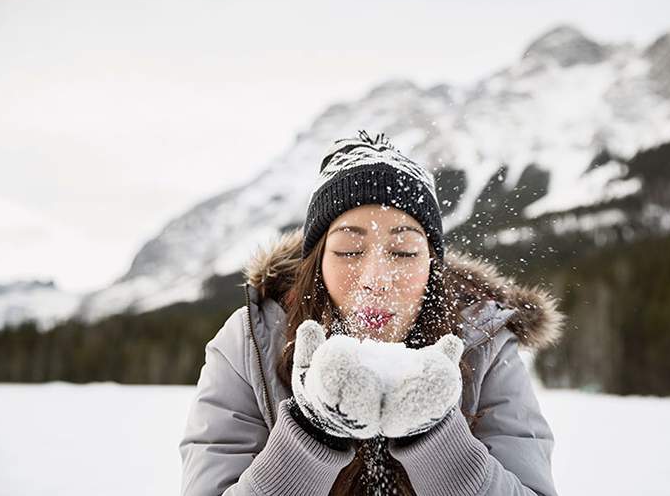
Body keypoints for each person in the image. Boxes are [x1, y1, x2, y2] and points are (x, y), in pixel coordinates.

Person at [179, 130, 565, 495]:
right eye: (348, 250)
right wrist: (313, 433)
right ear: (317, 263)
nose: (376, 279)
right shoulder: (252, 341)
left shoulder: (483, 342)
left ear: (432, 268)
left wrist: (436, 438)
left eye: (403, 252)